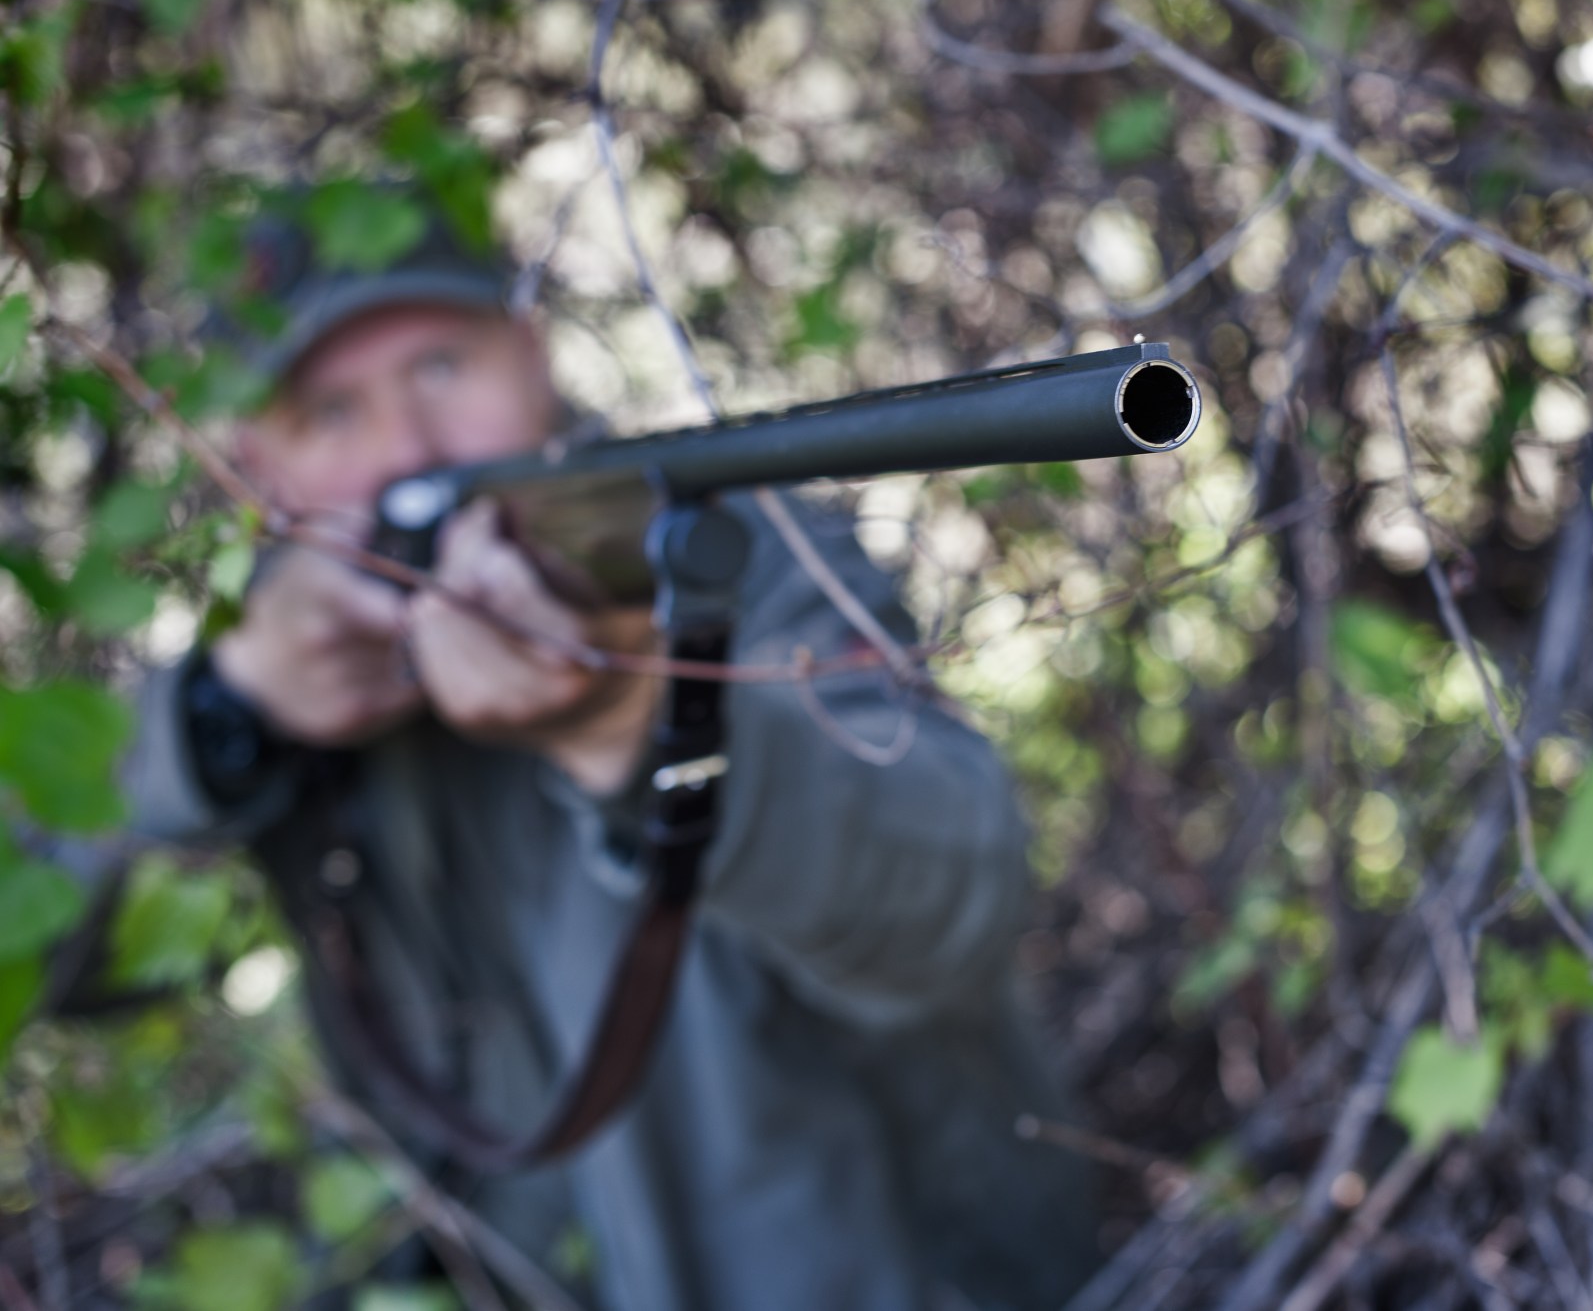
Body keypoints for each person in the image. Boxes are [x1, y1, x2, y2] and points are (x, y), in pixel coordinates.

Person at [120, 200, 1097, 1310]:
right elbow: (60, 928)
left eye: (442, 366)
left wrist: (638, 724)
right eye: (332, 412)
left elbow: (952, 905)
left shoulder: (752, 551)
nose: (409, 453)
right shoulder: (269, 651)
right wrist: (227, 716)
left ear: (530, 353)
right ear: (255, 461)